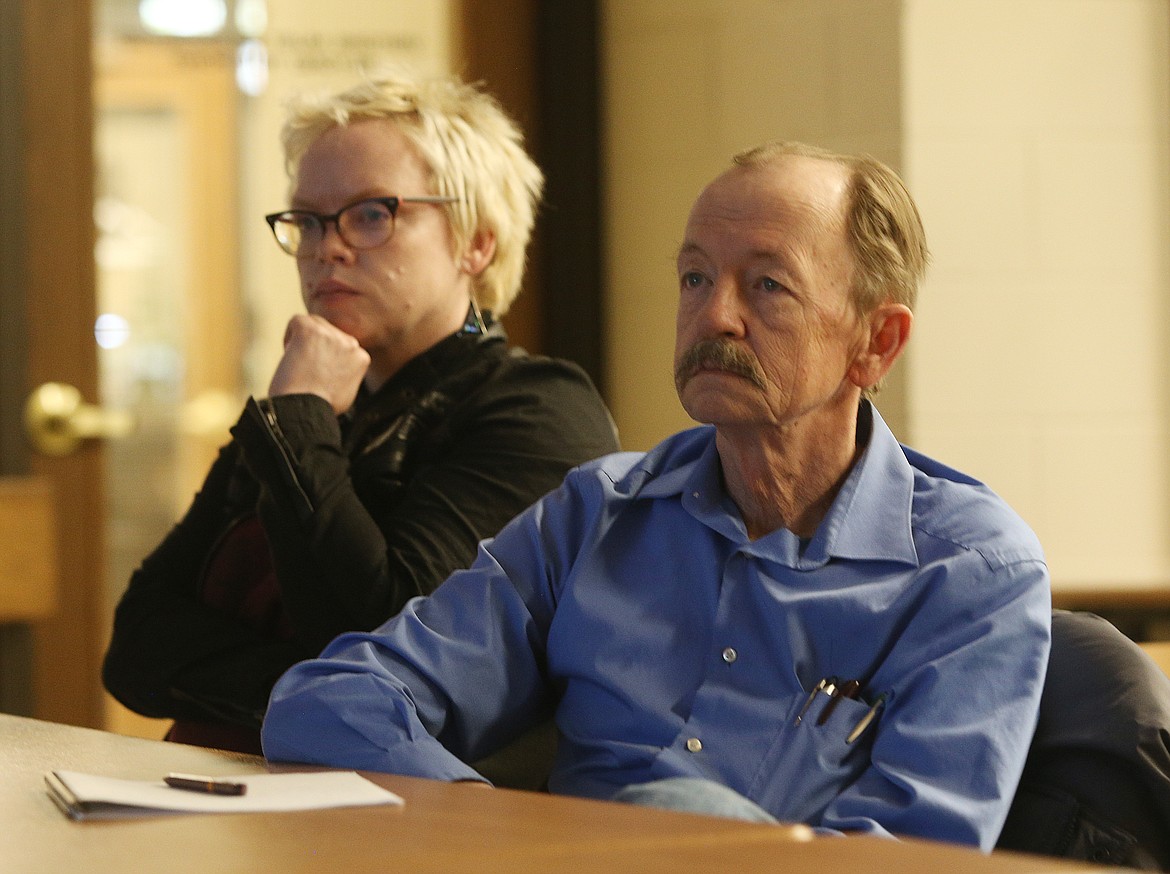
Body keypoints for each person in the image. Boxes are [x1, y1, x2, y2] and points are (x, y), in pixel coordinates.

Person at [261, 141, 1051, 850]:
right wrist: (500, 834)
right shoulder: (598, 511)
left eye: (768, 286)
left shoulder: (973, 570)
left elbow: (912, 860)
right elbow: (333, 700)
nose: (714, 316)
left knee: (679, 805)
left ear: (875, 343)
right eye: (695, 276)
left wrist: (662, 838)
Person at [102, 71, 619, 755]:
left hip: (430, 822)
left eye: (372, 214)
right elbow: (136, 650)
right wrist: (319, 691)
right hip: (246, 793)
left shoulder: (536, 408)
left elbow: (385, 644)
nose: (328, 248)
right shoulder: (310, 399)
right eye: (308, 219)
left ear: (476, 243)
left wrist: (301, 417)